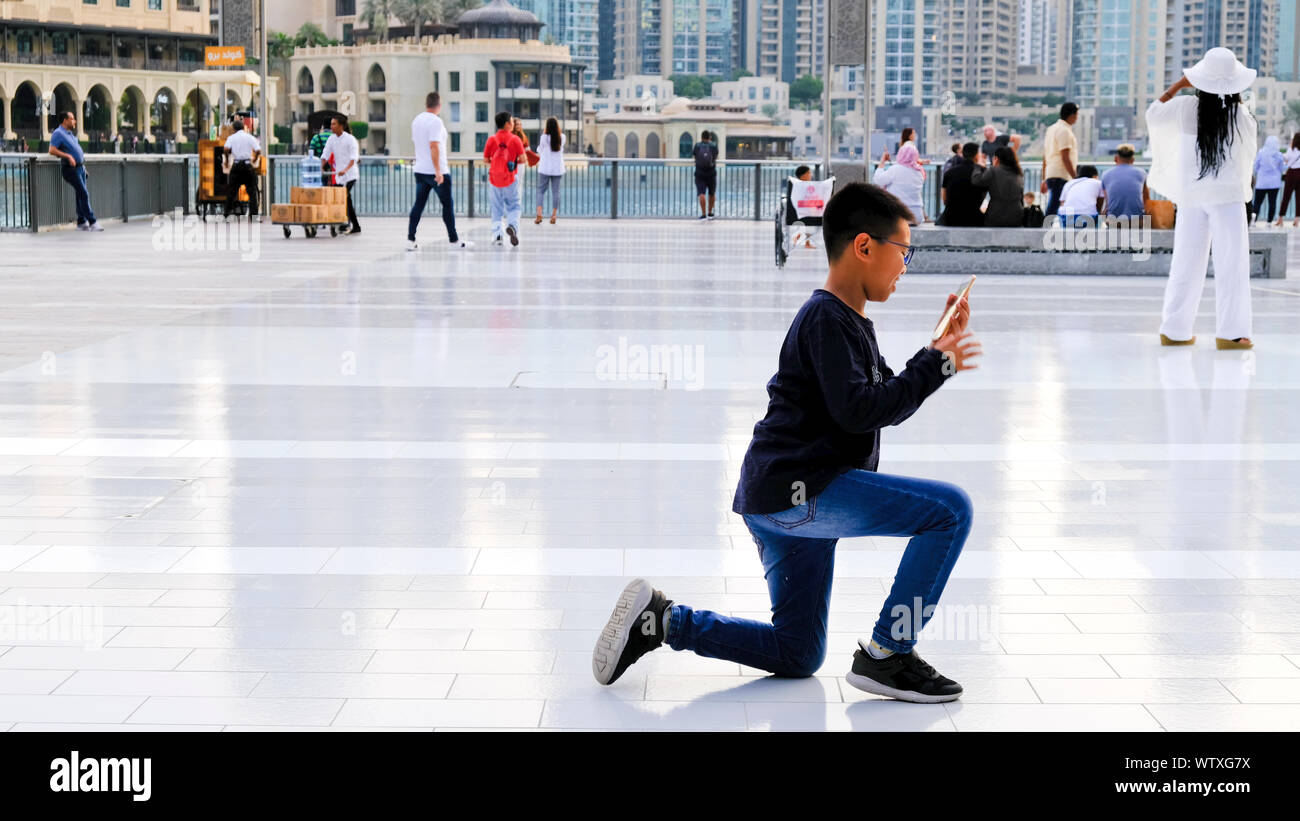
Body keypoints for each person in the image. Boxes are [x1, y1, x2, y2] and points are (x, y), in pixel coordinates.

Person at [593, 182, 982, 702]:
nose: (905, 266)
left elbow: (883, 401)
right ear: (864, 247)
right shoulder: (825, 317)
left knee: (798, 652)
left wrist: (935, 353)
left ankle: (663, 622)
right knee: (950, 511)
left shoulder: (848, 320)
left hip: (778, 500)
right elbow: (861, 410)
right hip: (802, 493)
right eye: (903, 251)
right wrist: (935, 364)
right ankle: (890, 653)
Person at [1147, 46, 1258, 350]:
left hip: (1192, 198)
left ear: (1199, 80)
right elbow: (1248, 158)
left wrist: (1179, 85)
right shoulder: (1241, 116)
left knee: (1185, 262)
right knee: (1232, 265)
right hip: (1228, 199)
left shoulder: (1184, 108)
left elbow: (1153, 114)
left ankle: (1174, 330)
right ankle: (1232, 333)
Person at [408, 92, 470, 252]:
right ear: (439, 105)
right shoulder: (436, 122)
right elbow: (434, 146)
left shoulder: (417, 120)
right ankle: (454, 241)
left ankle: (410, 239)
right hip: (437, 171)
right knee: (447, 205)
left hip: (420, 170)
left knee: (418, 205)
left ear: (426, 103)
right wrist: (438, 171)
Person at [48, 111, 102, 232]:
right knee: (83, 193)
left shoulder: (70, 134)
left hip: (80, 168)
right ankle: (92, 221)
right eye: (72, 119)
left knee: (80, 194)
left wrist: (83, 167)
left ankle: (81, 222)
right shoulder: (58, 133)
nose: (75, 121)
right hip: (70, 169)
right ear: (65, 120)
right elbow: (51, 150)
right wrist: (67, 156)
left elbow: (77, 152)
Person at [484, 110, 526, 247]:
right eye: (512, 121)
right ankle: (513, 226)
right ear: (508, 124)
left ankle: (497, 236)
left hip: (494, 179)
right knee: (514, 205)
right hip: (510, 178)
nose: (513, 124)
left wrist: (496, 165)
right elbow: (523, 159)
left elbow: (486, 159)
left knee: (496, 208)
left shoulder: (491, 139)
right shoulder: (515, 140)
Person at [323, 115, 361, 234]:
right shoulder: (331, 139)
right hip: (339, 176)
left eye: (334, 124)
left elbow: (354, 158)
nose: (331, 126)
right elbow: (325, 154)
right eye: (331, 124)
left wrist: (346, 169)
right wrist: (319, 167)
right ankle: (354, 225)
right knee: (344, 199)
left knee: (343, 197)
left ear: (341, 126)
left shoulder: (350, 139)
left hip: (350, 175)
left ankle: (344, 223)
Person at [1041, 103, 1079, 216]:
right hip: (1060, 174)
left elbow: (1045, 156)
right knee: (1054, 206)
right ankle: (1044, 230)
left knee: (1056, 204)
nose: (1077, 117)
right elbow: (1065, 157)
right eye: (1077, 114)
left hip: (1051, 173)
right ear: (1072, 115)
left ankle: (1046, 228)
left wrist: (1044, 178)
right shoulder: (1064, 131)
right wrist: (1075, 177)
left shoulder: (1051, 129)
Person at [972, 145, 1025, 227]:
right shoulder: (1018, 173)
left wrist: (978, 166)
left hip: (997, 213)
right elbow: (1021, 197)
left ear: (996, 158)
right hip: (1017, 214)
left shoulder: (994, 170)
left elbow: (977, 180)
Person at [872, 143, 926, 223]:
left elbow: (878, 180)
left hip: (899, 215)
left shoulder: (895, 170)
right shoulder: (919, 172)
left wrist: (882, 161)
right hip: (917, 216)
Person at [221, 118, 260, 220]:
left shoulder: (231, 138)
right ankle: (254, 216)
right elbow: (258, 150)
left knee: (232, 191)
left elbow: (225, 149)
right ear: (243, 128)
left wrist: (226, 161)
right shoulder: (250, 137)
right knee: (252, 192)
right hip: (247, 166)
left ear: (234, 129)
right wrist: (255, 159)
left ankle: (226, 214)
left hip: (237, 166)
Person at [936, 143, 982, 226]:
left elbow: (944, 199)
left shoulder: (949, 172)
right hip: (973, 218)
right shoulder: (982, 172)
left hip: (950, 218)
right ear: (976, 156)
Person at [1100, 143, 1149, 222]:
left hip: (1114, 222)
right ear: (1133, 160)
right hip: (1136, 221)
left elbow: (1107, 202)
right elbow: (1146, 199)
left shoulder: (1105, 174)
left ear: (1116, 158)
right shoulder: (1142, 173)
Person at [534, 116, 565, 225]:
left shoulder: (544, 138)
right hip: (557, 168)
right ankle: (554, 215)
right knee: (556, 191)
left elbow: (539, 150)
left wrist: (544, 134)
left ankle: (539, 214)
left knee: (540, 191)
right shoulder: (562, 137)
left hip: (545, 168)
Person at [1251, 135, 1286, 225]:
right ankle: (1269, 222)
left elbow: (1255, 166)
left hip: (1262, 182)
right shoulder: (1279, 155)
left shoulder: (1261, 153)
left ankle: (1254, 221)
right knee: (1272, 203)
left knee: (1257, 202)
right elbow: (1282, 168)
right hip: (1274, 183)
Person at [785, 164, 820, 249]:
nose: (810, 175)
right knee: (815, 221)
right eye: (809, 173)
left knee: (809, 223)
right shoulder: (806, 186)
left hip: (799, 213)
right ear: (803, 175)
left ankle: (801, 237)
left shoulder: (795, 186)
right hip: (806, 213)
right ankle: (803, 239)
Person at [693, 129, 719, 220]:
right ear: (710, 137)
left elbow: (695, 157)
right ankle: (710, 213)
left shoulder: (697, 146)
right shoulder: (713, 145)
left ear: (702, 137)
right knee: (712, 193)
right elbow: (715, 157)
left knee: (701, 193)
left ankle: (703, 214)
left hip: (700, 172)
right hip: (711, 172)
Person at [1277, 132, 1300, 228]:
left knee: (1286, 196)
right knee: (1299, 198)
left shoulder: (1291, 149)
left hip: (1291, 174)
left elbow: (1285, 158)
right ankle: (1296, 219)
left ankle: (1280, 219)